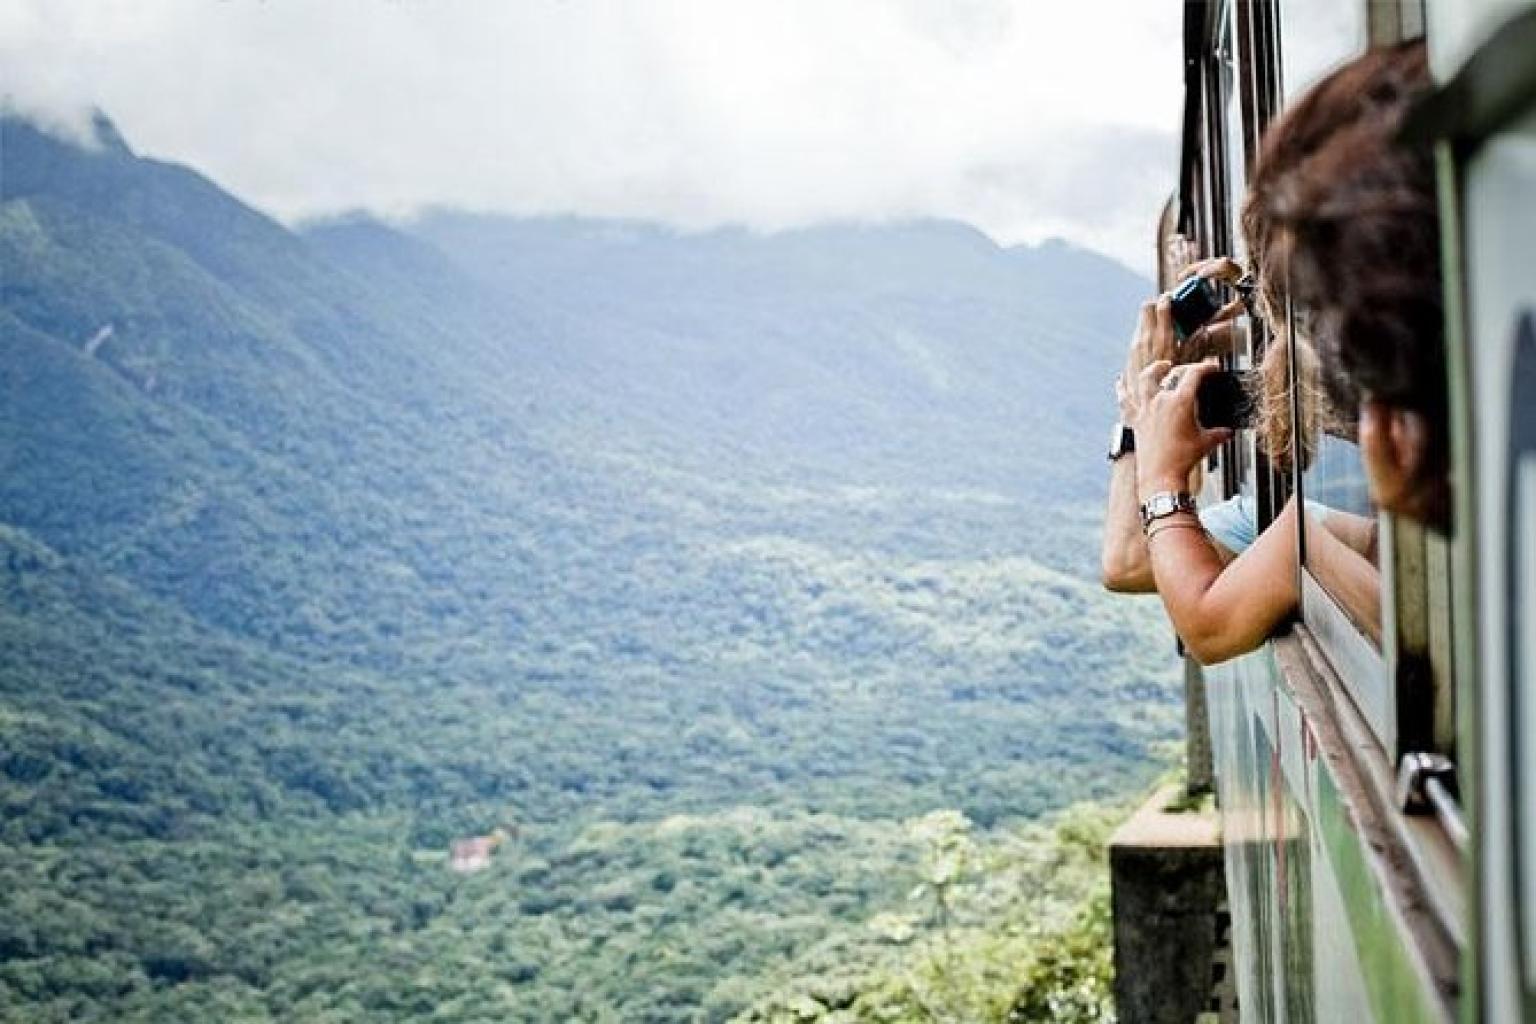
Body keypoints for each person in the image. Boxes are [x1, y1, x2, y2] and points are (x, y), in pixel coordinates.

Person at [1111, 42, 1432, 663]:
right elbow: (1127, 564)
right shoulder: (1305, 519)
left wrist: (1152, 457)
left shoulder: (1309, 530)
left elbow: (1199, 618)